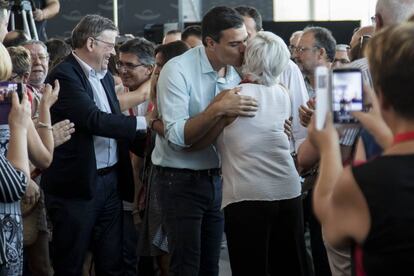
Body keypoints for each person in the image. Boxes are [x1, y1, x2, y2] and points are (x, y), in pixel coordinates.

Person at [41, 14, 150, 275]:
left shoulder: (102, 76)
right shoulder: (64, 75)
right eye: (110, 45)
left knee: (111, 262)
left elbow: (112, 120)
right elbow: (94, 120)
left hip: (110, 183)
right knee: (71, 262)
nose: (112, 53)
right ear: (91, 43)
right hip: (76, 188)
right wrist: (147, 122)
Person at [152, 6, 257, 275]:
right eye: (235, 43)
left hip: (220, 180)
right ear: (210, 42)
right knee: (186, 266)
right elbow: (177, 137)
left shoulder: (239, 71)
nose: (244, 49)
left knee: (211, 266)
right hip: (180, 181)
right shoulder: (177, 70)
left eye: (245, 41)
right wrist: (218, 109)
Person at [195, 31, 308, 276]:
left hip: (246, 195)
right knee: (291, 267)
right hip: (288, 191)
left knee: (250, 268)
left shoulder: (229, 98)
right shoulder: (283, 94)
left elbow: (199, 141)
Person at [309, 22, 414, 275]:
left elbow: (330, 217)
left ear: (382, 97)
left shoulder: (365, 182)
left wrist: (329, 145)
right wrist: (380, 129)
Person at [137, 40, 190, 276]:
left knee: (172, 252)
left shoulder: (182, 89)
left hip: (176, 180)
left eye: (161, 65)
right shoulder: (155, 94)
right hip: (156, 178)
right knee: (161, 252)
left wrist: (153, 122)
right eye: (156, 66)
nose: (156, 71)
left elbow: (177, 135)